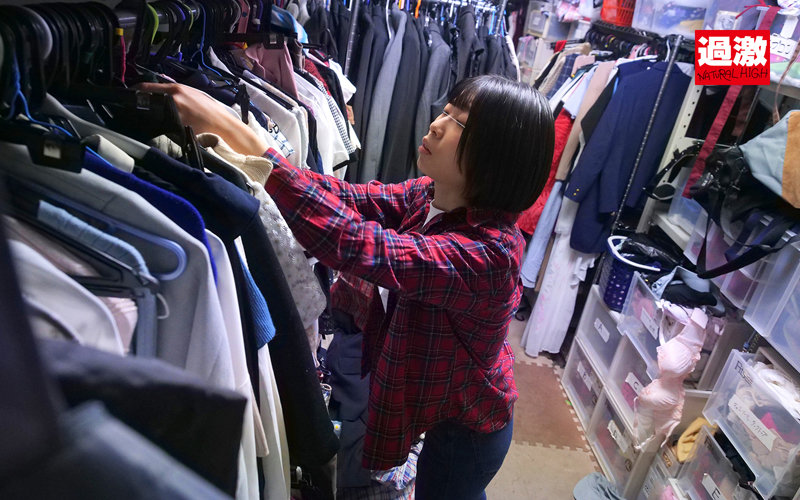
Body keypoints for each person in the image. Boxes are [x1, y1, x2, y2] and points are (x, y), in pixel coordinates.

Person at [142, 75, 555, 499]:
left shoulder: (489, 254)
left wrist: (249, 141)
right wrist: (248, 147)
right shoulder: (431, 194)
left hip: (469, 427)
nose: (436, 125)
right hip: (445, 396)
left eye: (458, 123)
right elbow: (345, 197)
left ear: (497, 155)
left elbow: (357, 245)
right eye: (445, 111)